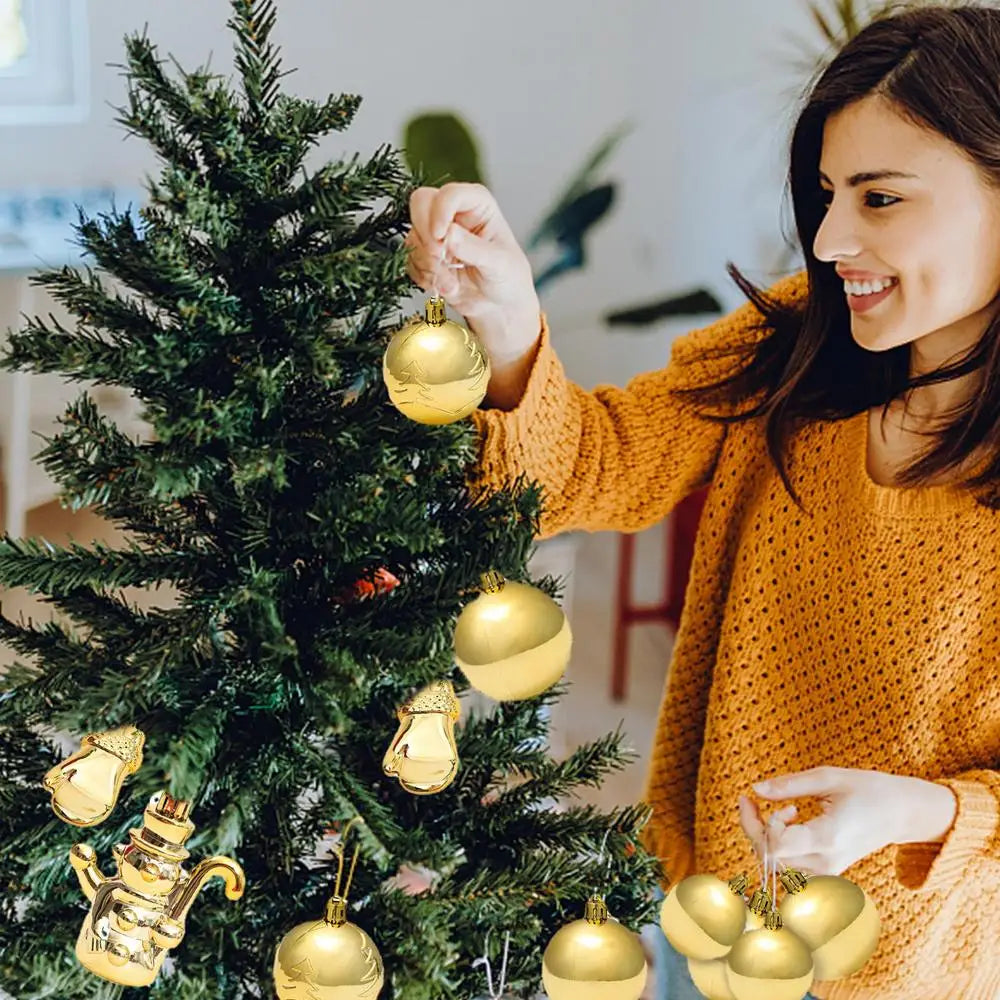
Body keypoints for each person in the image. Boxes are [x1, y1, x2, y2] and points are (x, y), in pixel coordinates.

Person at [405, 5, 1000, 999]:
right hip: (709, 906)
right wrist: (506, 319)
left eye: (880, 198)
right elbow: (584, 469)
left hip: (920, 961)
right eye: (824, 194)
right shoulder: (795, 338)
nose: (831, 236)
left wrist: (917, 812)